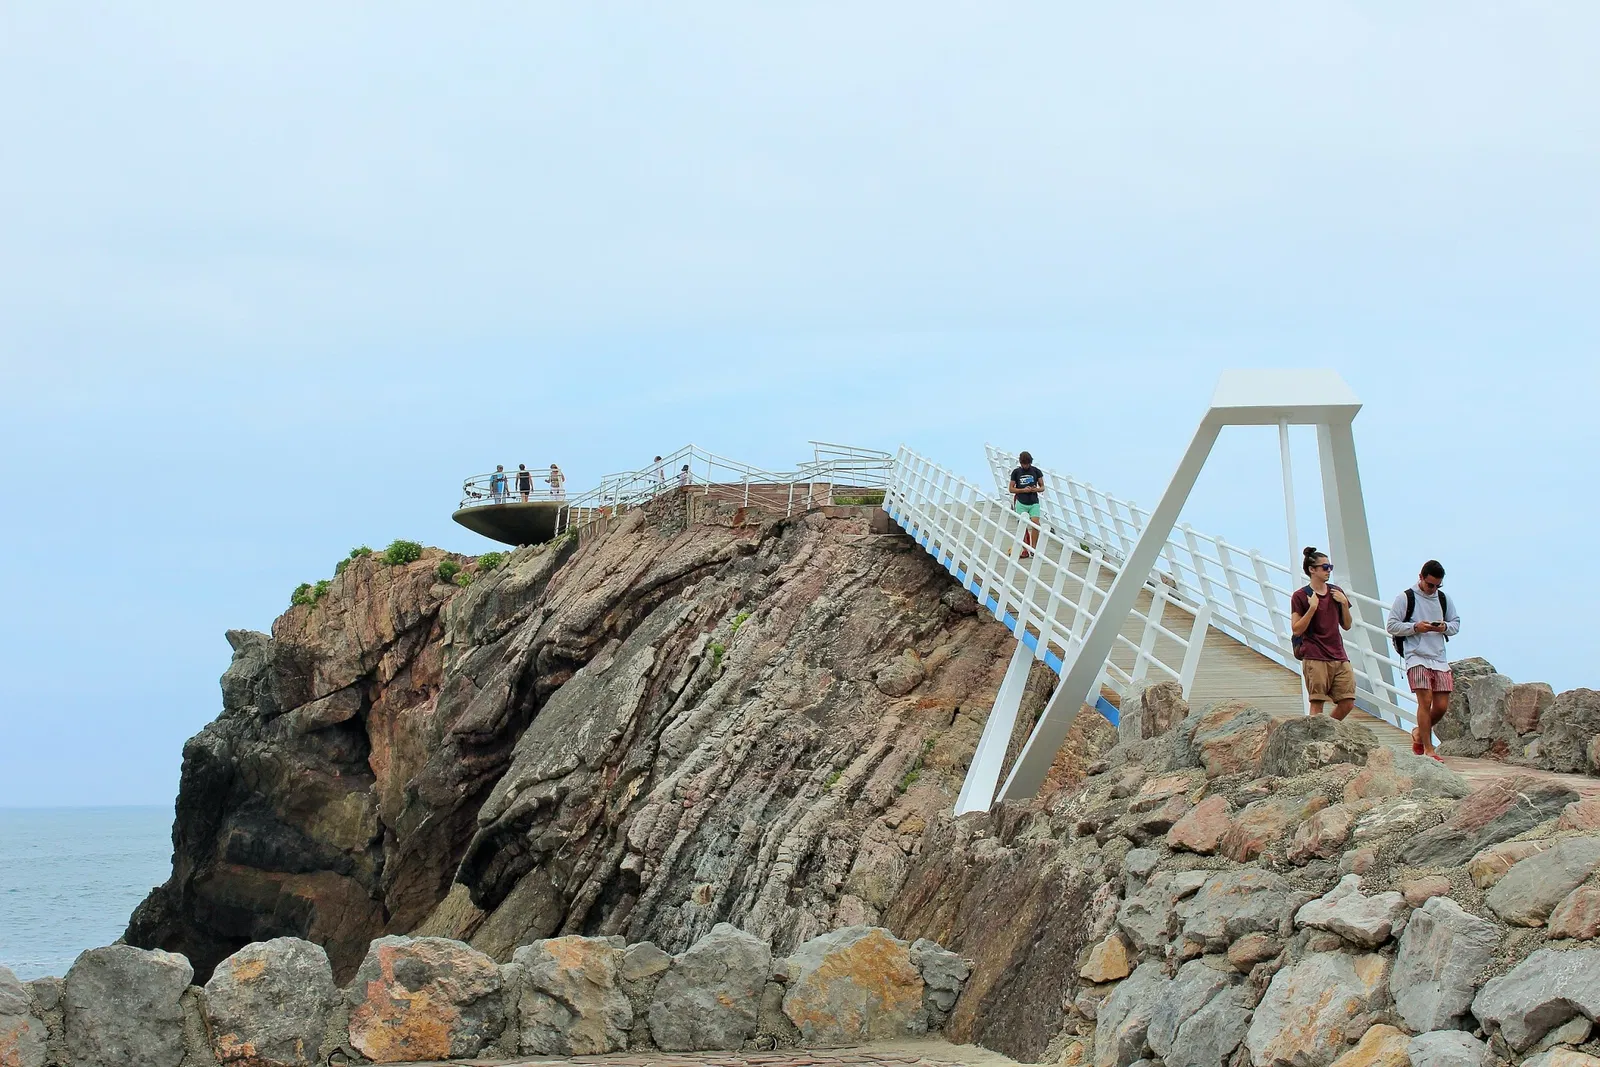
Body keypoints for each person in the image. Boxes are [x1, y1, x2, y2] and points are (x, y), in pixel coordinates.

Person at [1387, 560, 1460, 760]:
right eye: (1430, 585)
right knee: (1425, 700)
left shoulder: (1443, 599)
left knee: (1442, 706)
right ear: (1421, 577)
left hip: (1438, 656)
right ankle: (1429, 748)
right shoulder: (1405, 598)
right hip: (1415, 655)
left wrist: (1442, 627)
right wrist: (1415, 628)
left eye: (1437, 586)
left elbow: (1456, 624)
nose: (1433, 589)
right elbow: (1392, 626)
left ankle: (1419, 733)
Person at [1291, 547, 1355, 721]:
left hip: (1339, 655)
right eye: (1325, 567)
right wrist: (1312, 608)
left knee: (1347, 701)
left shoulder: (1336, 591)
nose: (1329, 571)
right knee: (1317, 703)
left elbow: (1347, 625)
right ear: (1312, 570)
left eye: (1330, 567)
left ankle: (1327, 730)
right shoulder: (1300, 596)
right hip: (1315, 655)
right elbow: (1296, 629)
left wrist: (1343, 603)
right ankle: (1315, 738)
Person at [1009, 450, 1045, 558]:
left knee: (1035, 524)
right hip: (1021, 501)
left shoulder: (1036, 471)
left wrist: (1036, 489)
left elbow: (1042, 487)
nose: (1026, 466)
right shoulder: (1016, 472)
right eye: (1024, 464)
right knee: (1022, 525)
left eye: (1027, 463)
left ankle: (1033, 548)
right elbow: (1011, 489)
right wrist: (1023, 490)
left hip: (1033, 501)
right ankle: (1025, 548)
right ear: (1020, 463)